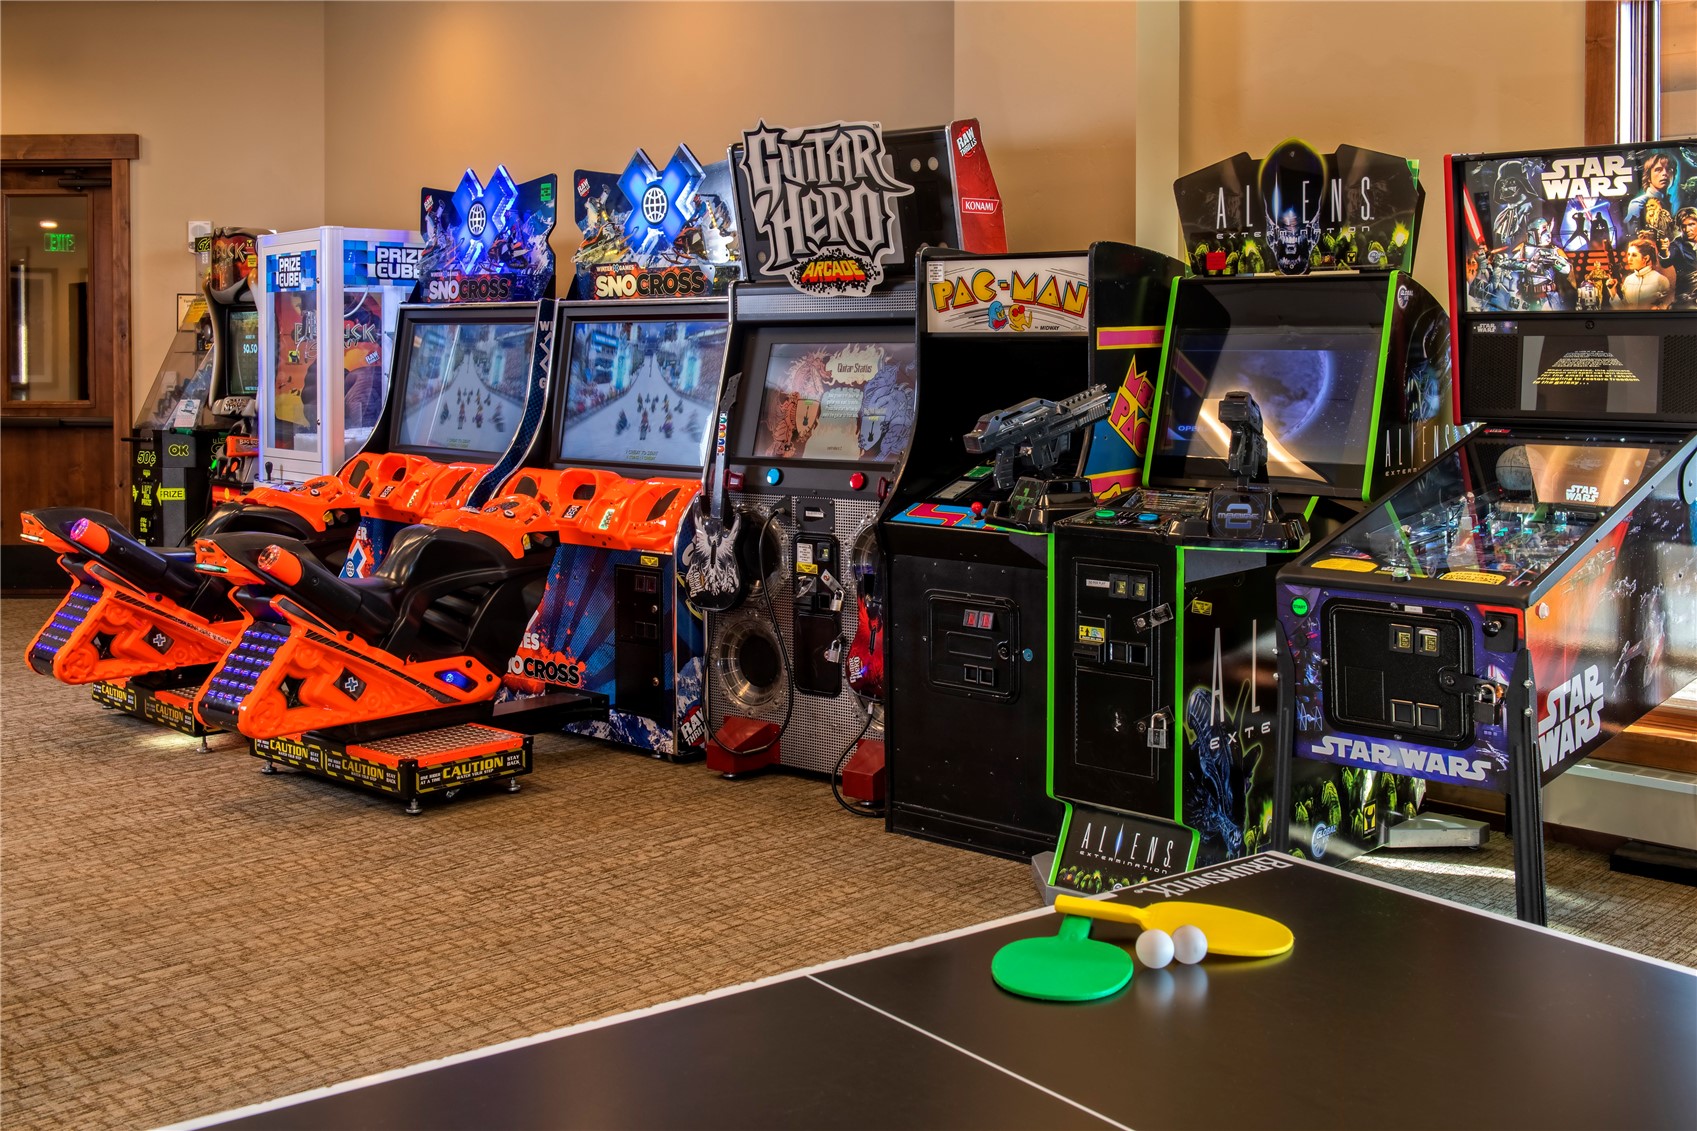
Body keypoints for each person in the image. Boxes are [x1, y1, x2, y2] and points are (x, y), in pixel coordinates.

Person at [1618, 238, 1672, 309]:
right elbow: (1622, 308)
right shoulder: (1628, 280)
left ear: (1646, 258)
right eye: (1628, 254)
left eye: (1634, 255)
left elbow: (1668, 307)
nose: (1629, 258)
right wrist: (1612, 291)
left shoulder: (1661, 280)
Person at [1668, 206, 1697, 309]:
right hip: (1687, 298)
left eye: (1691, 225)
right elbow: (1666, 260)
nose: (1687, 229)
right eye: (1683, 226)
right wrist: (1664, 252)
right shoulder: (1676, 245)